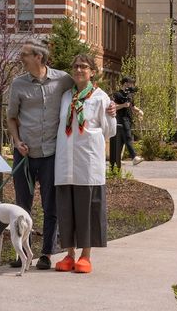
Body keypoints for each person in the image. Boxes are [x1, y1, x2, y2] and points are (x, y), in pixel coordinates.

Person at [53, 53, 117, 275]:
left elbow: (110, 131)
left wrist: (112, 114)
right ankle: (69, 254)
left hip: (87, 163)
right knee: (66, 209)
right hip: (65, 162)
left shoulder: (101, 98)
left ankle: (86, 256)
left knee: (87, 210)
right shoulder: (65, 97)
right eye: (76, 66)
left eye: (83, 66)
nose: (79, 70)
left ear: (92, 71)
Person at [108, 76, 140, 169]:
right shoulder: (117, 94)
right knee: (128, 137)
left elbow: (132, 107)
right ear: (125, 84)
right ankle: (134, 157)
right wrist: (123, 105)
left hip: (129, 120)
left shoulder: (129, 95)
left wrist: (139, 111)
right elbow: (113, 107)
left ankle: (114, 167)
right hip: (121, 120)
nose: (131, 85)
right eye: (129, 83)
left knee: (121, 143)